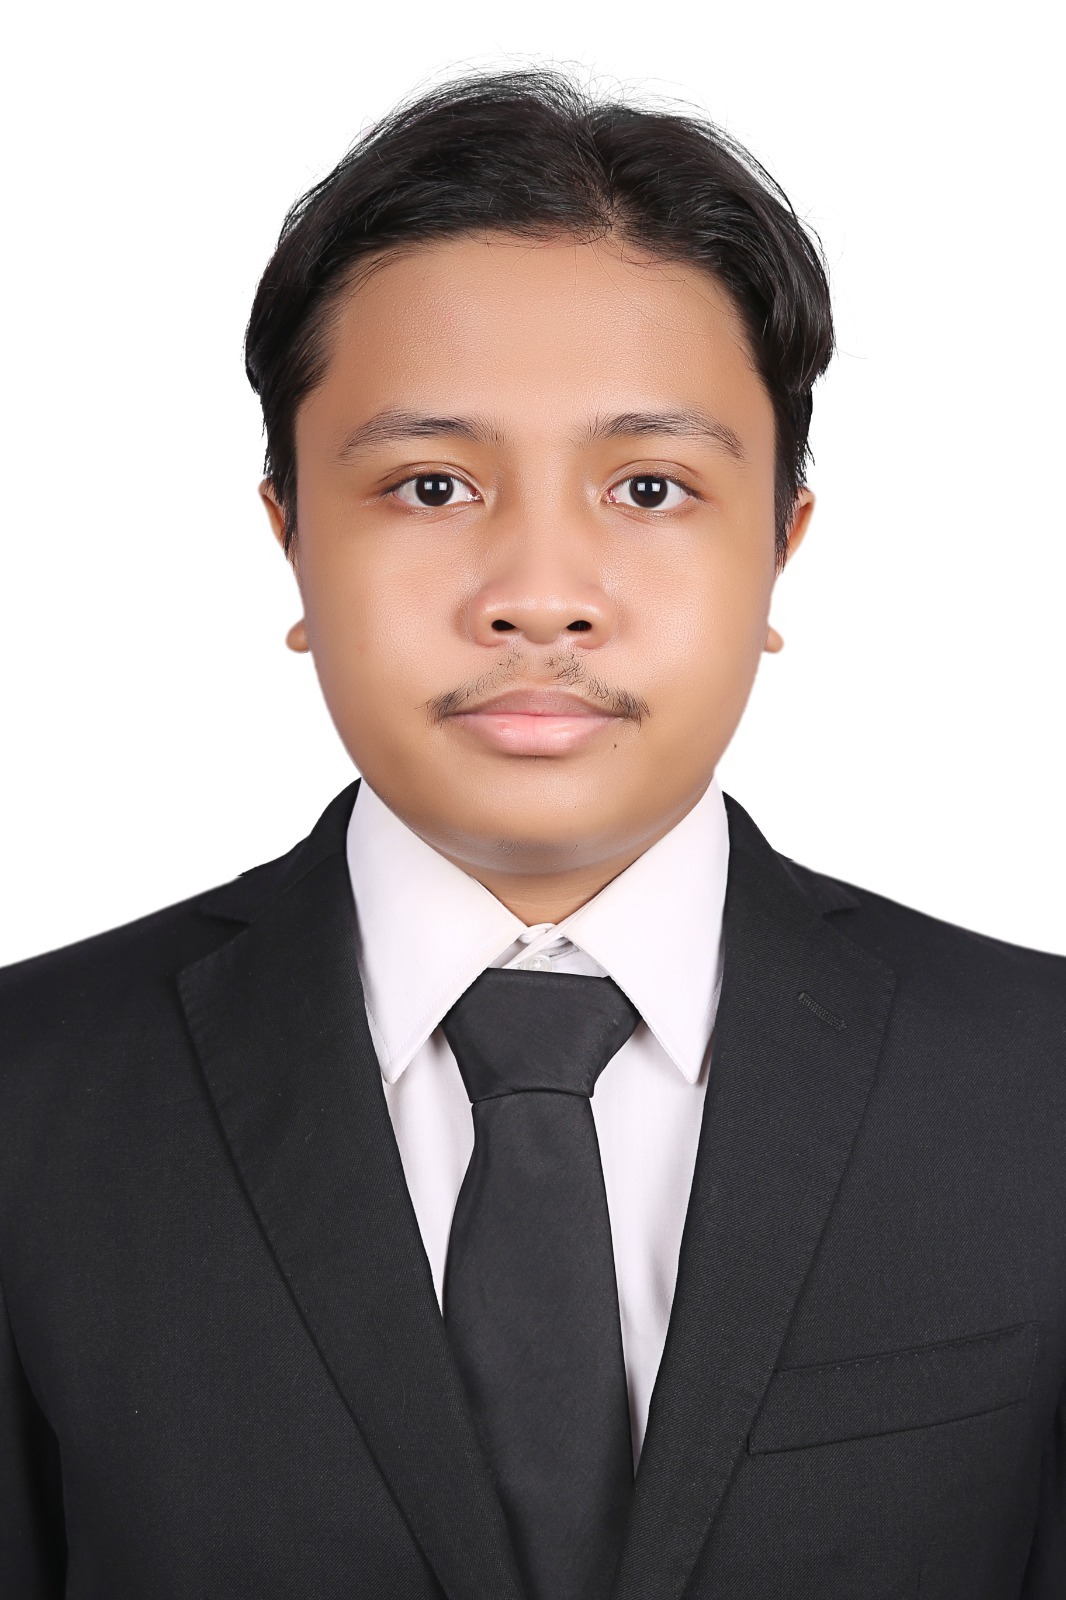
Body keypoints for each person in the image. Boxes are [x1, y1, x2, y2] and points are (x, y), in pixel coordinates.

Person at [1, 67, 1062, 1600]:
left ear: (779, 546)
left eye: (649, 486)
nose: (540, 595)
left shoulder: (1034, 1085)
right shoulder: (32, 1099)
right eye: (431, 485)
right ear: (291, 536)